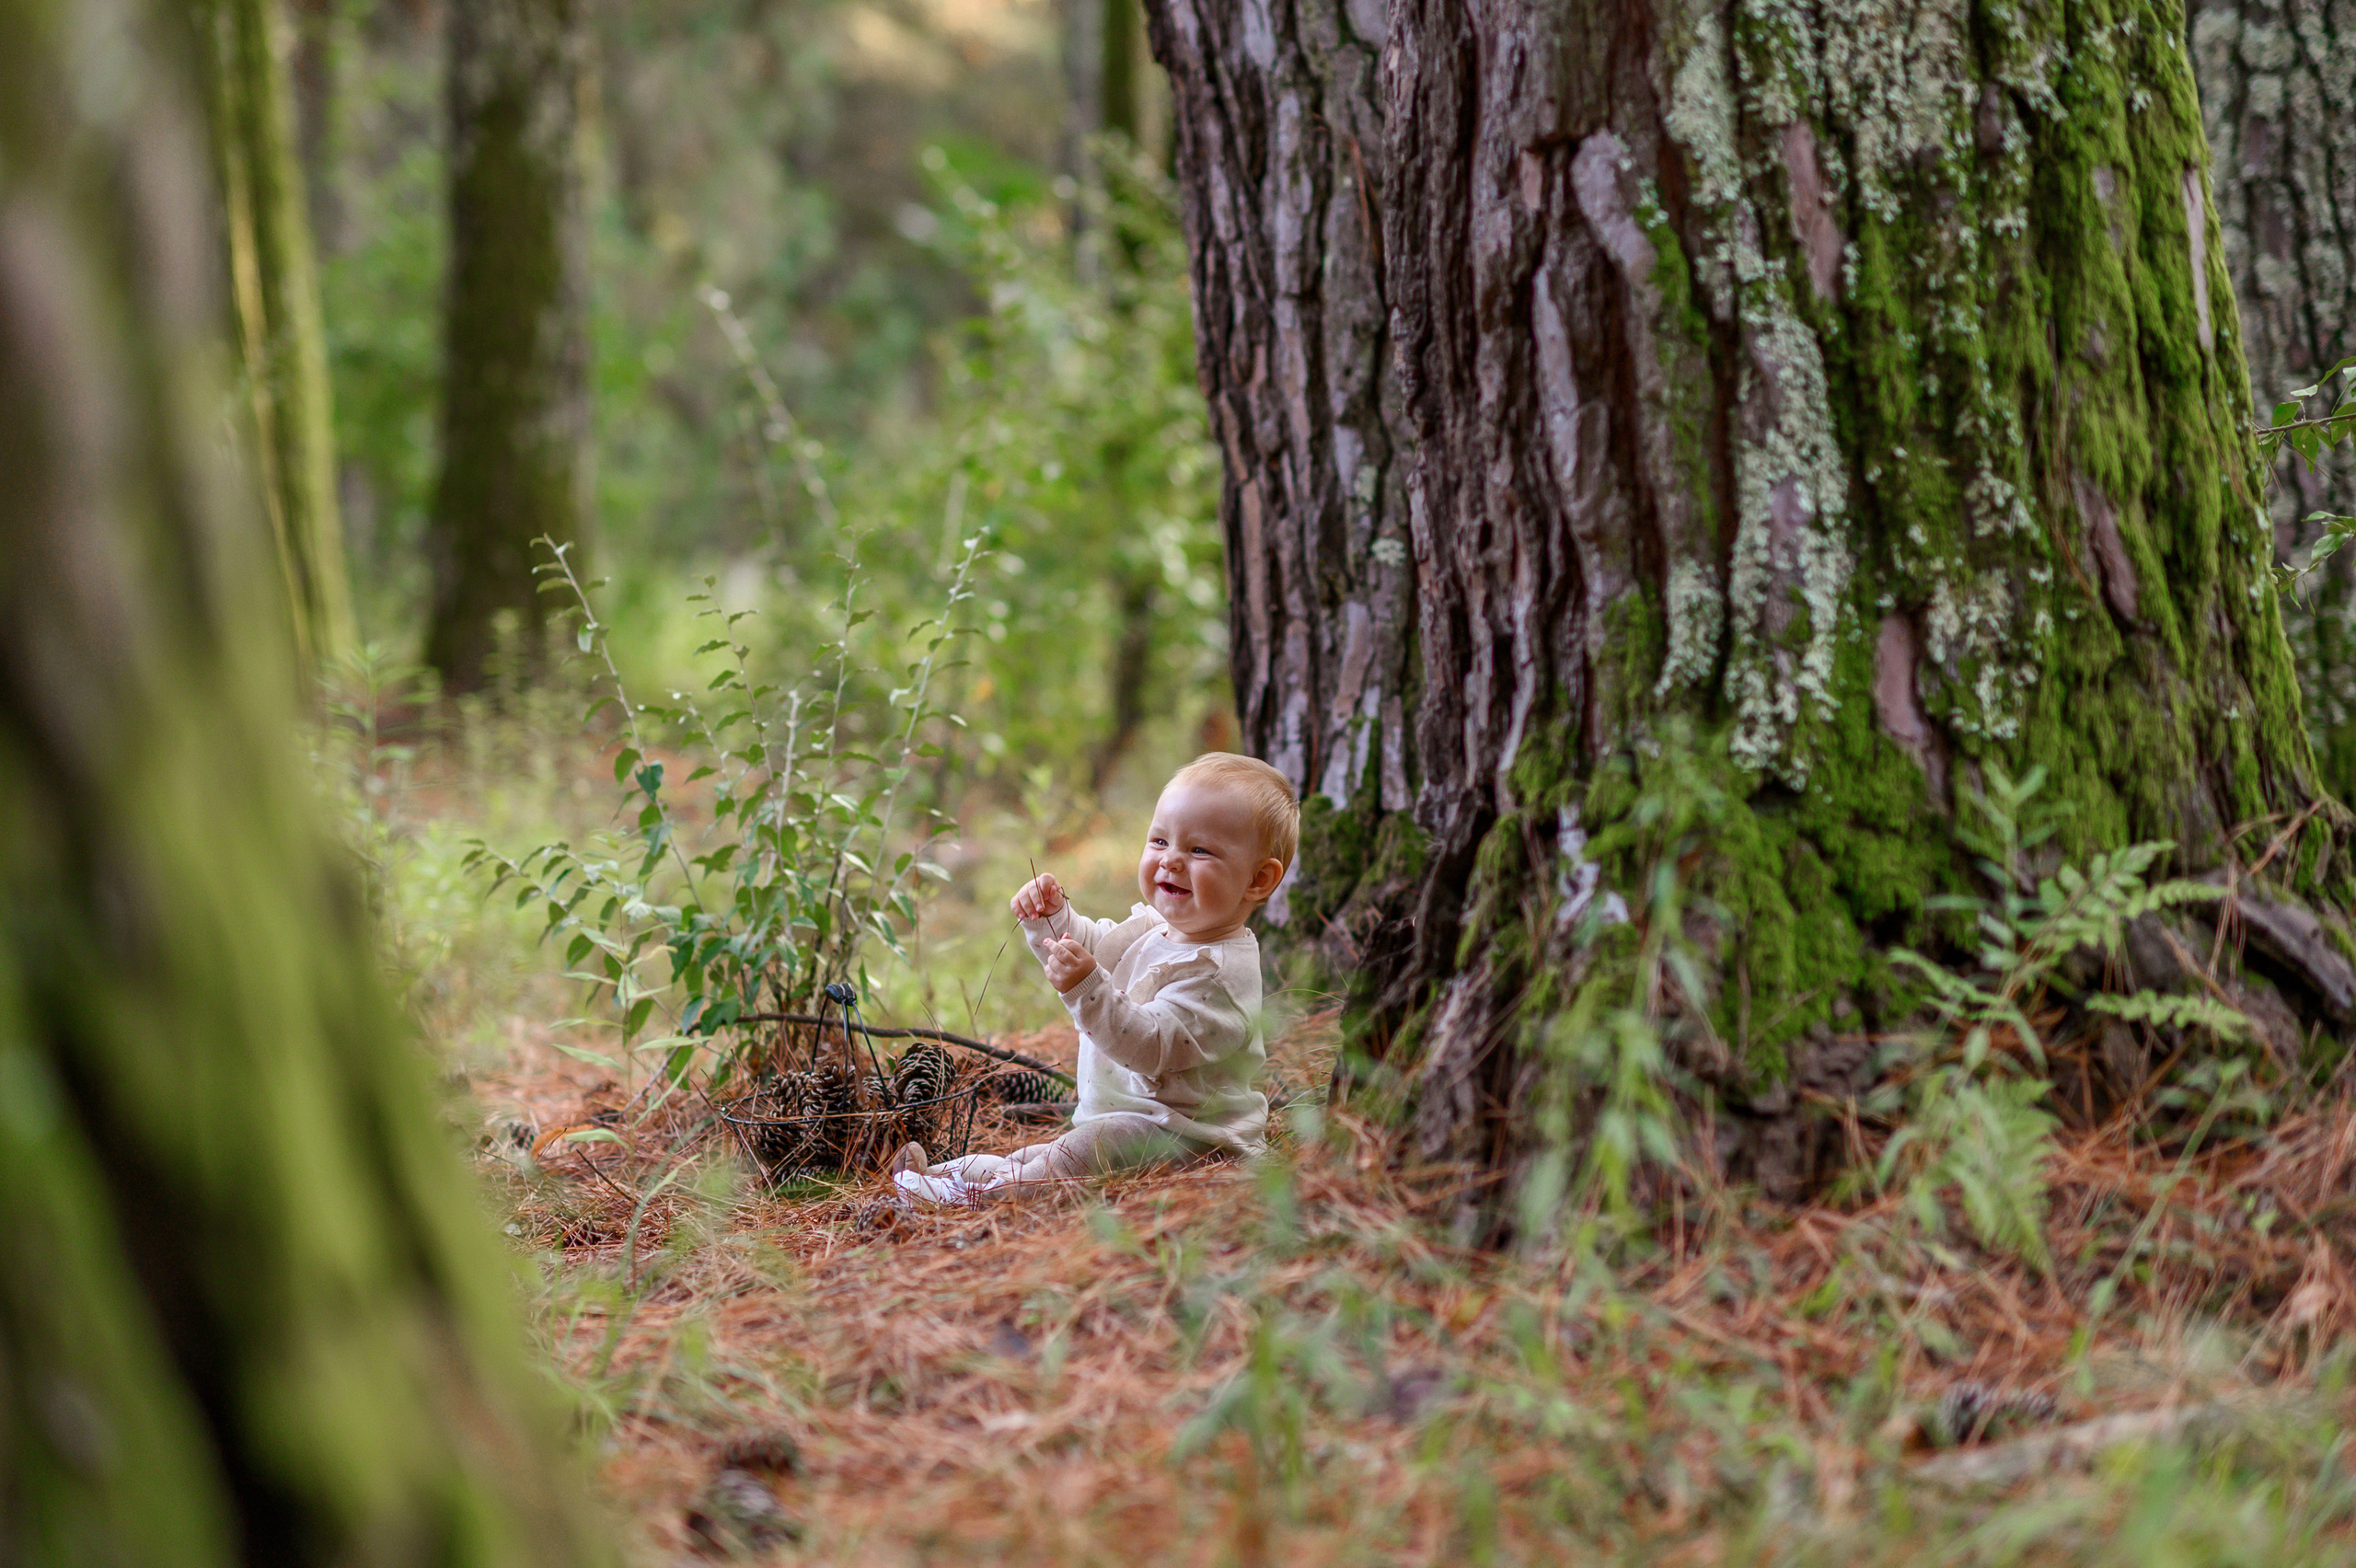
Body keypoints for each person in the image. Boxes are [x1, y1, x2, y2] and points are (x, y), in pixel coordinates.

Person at [892, 753, 1298, 1204]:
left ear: (1259, 880)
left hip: (1190, 1140)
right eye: (1160, 841)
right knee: (1041, 1156)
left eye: (1199, 849)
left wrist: (1086, 987)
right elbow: (1094, 948)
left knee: (1067, 1160)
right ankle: (942, 1175)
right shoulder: (1157, 930)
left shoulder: (1220, 976)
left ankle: (956, 1199)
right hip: (1125, 1123)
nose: (1172, 861)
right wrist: (1051, 917)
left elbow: (1150, 1044)